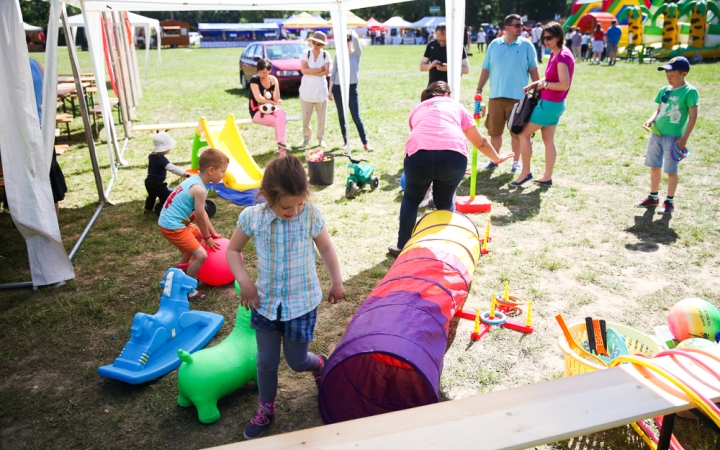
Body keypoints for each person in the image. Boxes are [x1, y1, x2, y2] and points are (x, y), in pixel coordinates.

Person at [226, 154, 345, 440]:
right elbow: (232, 251)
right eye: (286, 206)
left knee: (296, 362)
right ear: (267, 196)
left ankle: (319, 363)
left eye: (300, 203)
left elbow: (326, 249)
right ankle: (266, 408)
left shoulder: (310, 215)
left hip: (301, 304)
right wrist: (244, 282)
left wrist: (336, 281)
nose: (294, 211)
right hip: (264, 303)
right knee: (266, 361)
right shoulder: (252, 218)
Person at [388, 82, 514, 256]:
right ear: (447, 95)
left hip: (419, 156)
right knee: (445, 202)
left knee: (411, 199)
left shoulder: (418, 108)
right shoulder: (456, 106)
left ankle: (402, 246)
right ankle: (446, 246)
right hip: (453, 157)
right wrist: (497, 158)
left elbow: (422, 136)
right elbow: (480, 142)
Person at [158, 148, 229, 301]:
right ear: (211, 170)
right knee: (201, 255)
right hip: (173, 226)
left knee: (196, 234)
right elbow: (200, 217)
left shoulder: (194, 180)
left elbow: (201, 214)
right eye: (223, 171)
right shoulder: (199, 189)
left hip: (176, 223)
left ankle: (182, 270)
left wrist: (213, 233)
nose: (224, 174)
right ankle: (187, 288)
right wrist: (208, 237)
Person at [512, 22, 575, 188]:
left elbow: (563, 84)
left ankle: (525, 173)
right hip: (556, 104)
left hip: (550, 103)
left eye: (549, 38)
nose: (545, 41)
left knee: (523, 134)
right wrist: (534, 85)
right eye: (543, 38)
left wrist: (543, 86)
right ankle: (547, 177)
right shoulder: (557, 53)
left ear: (559, 37)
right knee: (548, 139)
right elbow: (549, 78)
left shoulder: (562, 56)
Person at [476, 14, 539, 174]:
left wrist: (538, 93)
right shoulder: (493, 45)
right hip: (496, 96)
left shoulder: (527, 45)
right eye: (517, 25)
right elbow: (486, 69)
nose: (521, 28)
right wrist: (479, 89)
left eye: (521, 25)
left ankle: (516, 163)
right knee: (494, 132)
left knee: (517, 134)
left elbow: (533, 70)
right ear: (507, 27)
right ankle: (494, 160)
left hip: (519, 99)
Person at [636, 57, 698, 214]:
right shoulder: (664, 90)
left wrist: (684, 138)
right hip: (657, 134)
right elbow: (658, 110)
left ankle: (669, 201)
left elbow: (693, 116)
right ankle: (653, 197)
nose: (669, 78)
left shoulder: (690, 92)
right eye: (667, 74)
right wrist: (650, 121)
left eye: (672, 75)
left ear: (684, 73)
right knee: (654, 166)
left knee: (671, 170)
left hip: (673, 137)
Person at [30, 58, 67, 218]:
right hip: (41, 129)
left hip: (26, 131)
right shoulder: (35, 64)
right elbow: (47, 95)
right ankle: (52, 223)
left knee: (32, 180)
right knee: (47, 178)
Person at [328, 30, 372, 151]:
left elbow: (356, 41)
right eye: (343, 40)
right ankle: (346, 141)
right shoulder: (338, 56)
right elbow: (333, 73)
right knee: (342, 116)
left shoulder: (356, 54)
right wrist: (330, 90)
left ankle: (365, 142)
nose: (345, 42)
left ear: (351, 40)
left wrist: (348, 31)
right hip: (338, 87)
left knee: (355, 116)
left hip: (351, 88)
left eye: (347, 40)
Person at [144, 132, 190, 216]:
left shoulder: (152, 155)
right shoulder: (161, 159)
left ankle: (147, 209)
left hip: (149, 181)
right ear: (164, 149)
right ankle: (162, 210)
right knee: (166, 197)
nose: (170, 149)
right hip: (157, 183)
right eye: (169, 147)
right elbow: (172, 168)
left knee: (152, 196)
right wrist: (184, 173)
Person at [249, 59, 289, 153]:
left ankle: (281, 144)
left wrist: (275, 84)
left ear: (270, 71)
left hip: (270, 109)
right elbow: (259, 98)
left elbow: (276, 98)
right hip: (257, 111)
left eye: (264, 72)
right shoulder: (254, 79)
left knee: (281, 113)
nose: (261, 74)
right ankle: (282, 150)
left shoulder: (272, 80)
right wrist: (274, 103)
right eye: (259, 72)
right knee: (278, 122)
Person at [299, 31, 331, 148]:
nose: (316, 46)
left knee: (322, 118)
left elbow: (326, 72)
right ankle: (306, 139)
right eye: (314, 43)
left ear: (323, 45)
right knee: (306, 118)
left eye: (319, 44)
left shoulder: (325, 55)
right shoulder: (305, 53)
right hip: (306, 91)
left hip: (321, 92)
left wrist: (311, 71)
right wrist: (319, 70)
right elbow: (303, 70)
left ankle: (321, 139)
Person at [420, 23, 470, 87]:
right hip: (433, 87)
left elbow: (466, 69)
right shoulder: (431, 45)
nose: (441, 42)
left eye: (444, 40)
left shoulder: (457, 46)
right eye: (439, 40)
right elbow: (422, 67)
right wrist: (431, 65)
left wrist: (449, 68)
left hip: (451, 88)